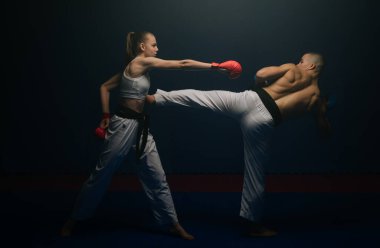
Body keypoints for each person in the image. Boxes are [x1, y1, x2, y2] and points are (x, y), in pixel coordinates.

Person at [60, 31, 242, 240]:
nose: (157, 49)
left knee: (156, 175)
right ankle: (73, 219)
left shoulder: (136, 68)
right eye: (154, 45)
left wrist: (104, 115)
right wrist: (214, 66)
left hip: (140, 126)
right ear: (142, 47)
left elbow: (105, 87)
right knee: (101, 175)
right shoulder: (141, 63)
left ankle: (172, 223)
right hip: (122, 126)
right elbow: (182, 64)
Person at [146, 52, 332, 237]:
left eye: (302, 60)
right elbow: (324, 131)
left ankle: (156, 98)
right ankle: (253, 224)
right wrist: (323, 110)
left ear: (311, 66)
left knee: (202, 97)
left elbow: (260, 75)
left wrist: (260, 84)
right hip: (264, 121)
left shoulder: (292, 68)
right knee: (255, 173)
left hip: (250, 100)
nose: (298, 62)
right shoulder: (317, 98)